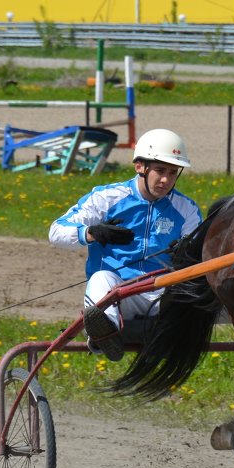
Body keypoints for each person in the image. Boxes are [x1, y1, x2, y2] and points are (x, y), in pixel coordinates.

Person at [49, 128, 202, 361]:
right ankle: (105, 335)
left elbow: (198, 260)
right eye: (160, 171)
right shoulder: (106, 198)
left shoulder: (186, 209)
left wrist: (186, 254)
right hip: (120, 295)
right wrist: (91, 233)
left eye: (173, 173)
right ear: (140, 166)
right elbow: (56, 232)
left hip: (163, 295)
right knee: (101, 278)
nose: (165, 180)